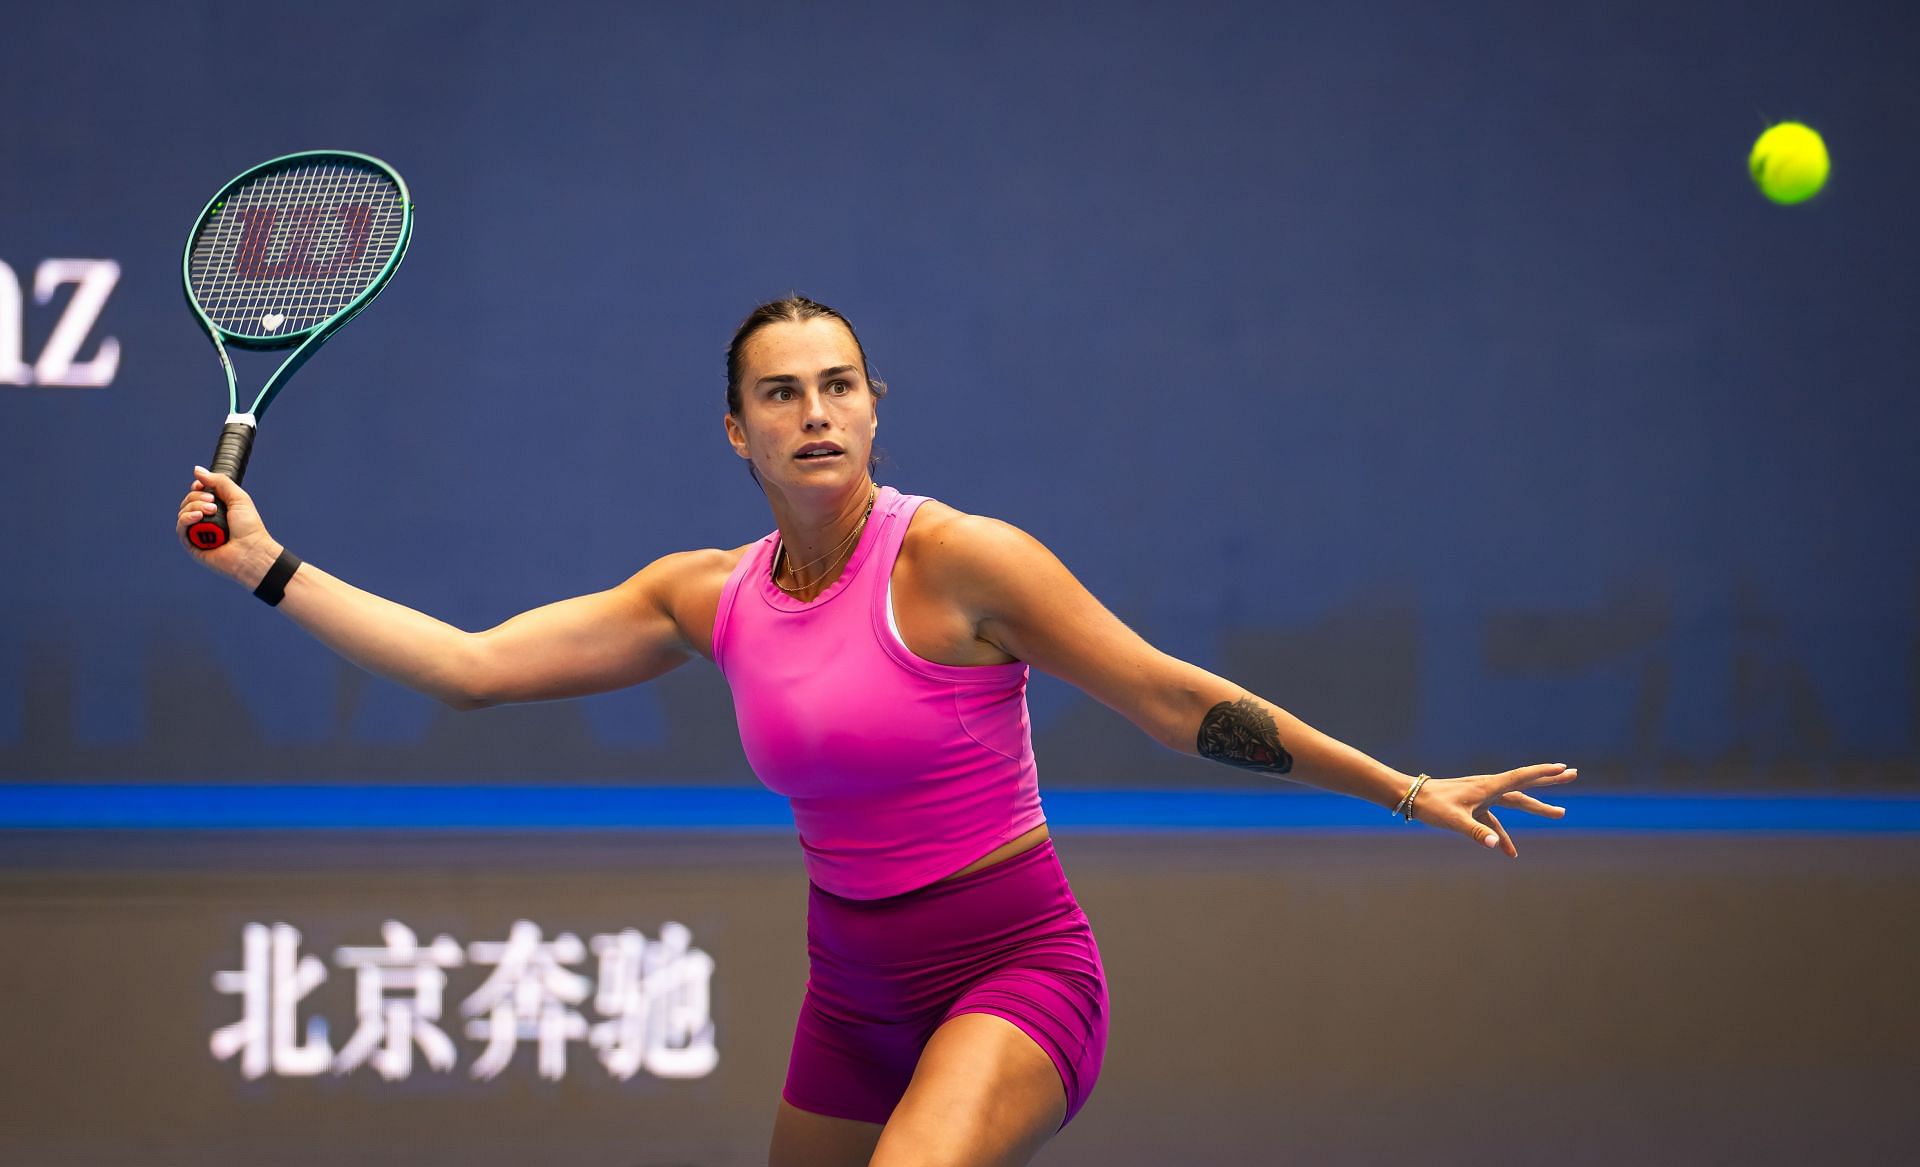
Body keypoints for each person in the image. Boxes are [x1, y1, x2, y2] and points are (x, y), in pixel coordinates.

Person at [176, 295, 1578, 1167]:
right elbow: (472, 668)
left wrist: (1399, 787)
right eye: (781, 393)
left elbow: (1169, 696)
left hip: (1016, 965)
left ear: (873, 407)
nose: (816, 410)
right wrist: (269, 569)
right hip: (849, 990)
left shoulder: (966, 565)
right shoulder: (705, 594)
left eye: (840, 384)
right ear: (737, 432)